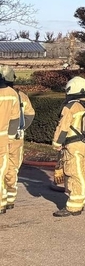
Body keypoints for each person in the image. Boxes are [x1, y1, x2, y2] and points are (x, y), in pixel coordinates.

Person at [52, 76, 85, 217]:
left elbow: (63, 127)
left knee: (74, 174)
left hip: (73, 146)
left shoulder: (70, 106)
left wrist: (56, 143)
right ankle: (79, 202)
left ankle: (73, 207)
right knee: (83, 173)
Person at [2, 66, 33, 211]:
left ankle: (3, 198)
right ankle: (10, 197)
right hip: (16, 139)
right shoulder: (20, 96)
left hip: (3, 137)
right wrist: (20, 128)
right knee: (12, 167)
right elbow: (30, 114)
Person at [0, 67, 18, 215]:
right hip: (4, 139)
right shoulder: (13, 94)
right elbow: (15, 119)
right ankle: (2, 201)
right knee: (2, 171)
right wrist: (11, 137)